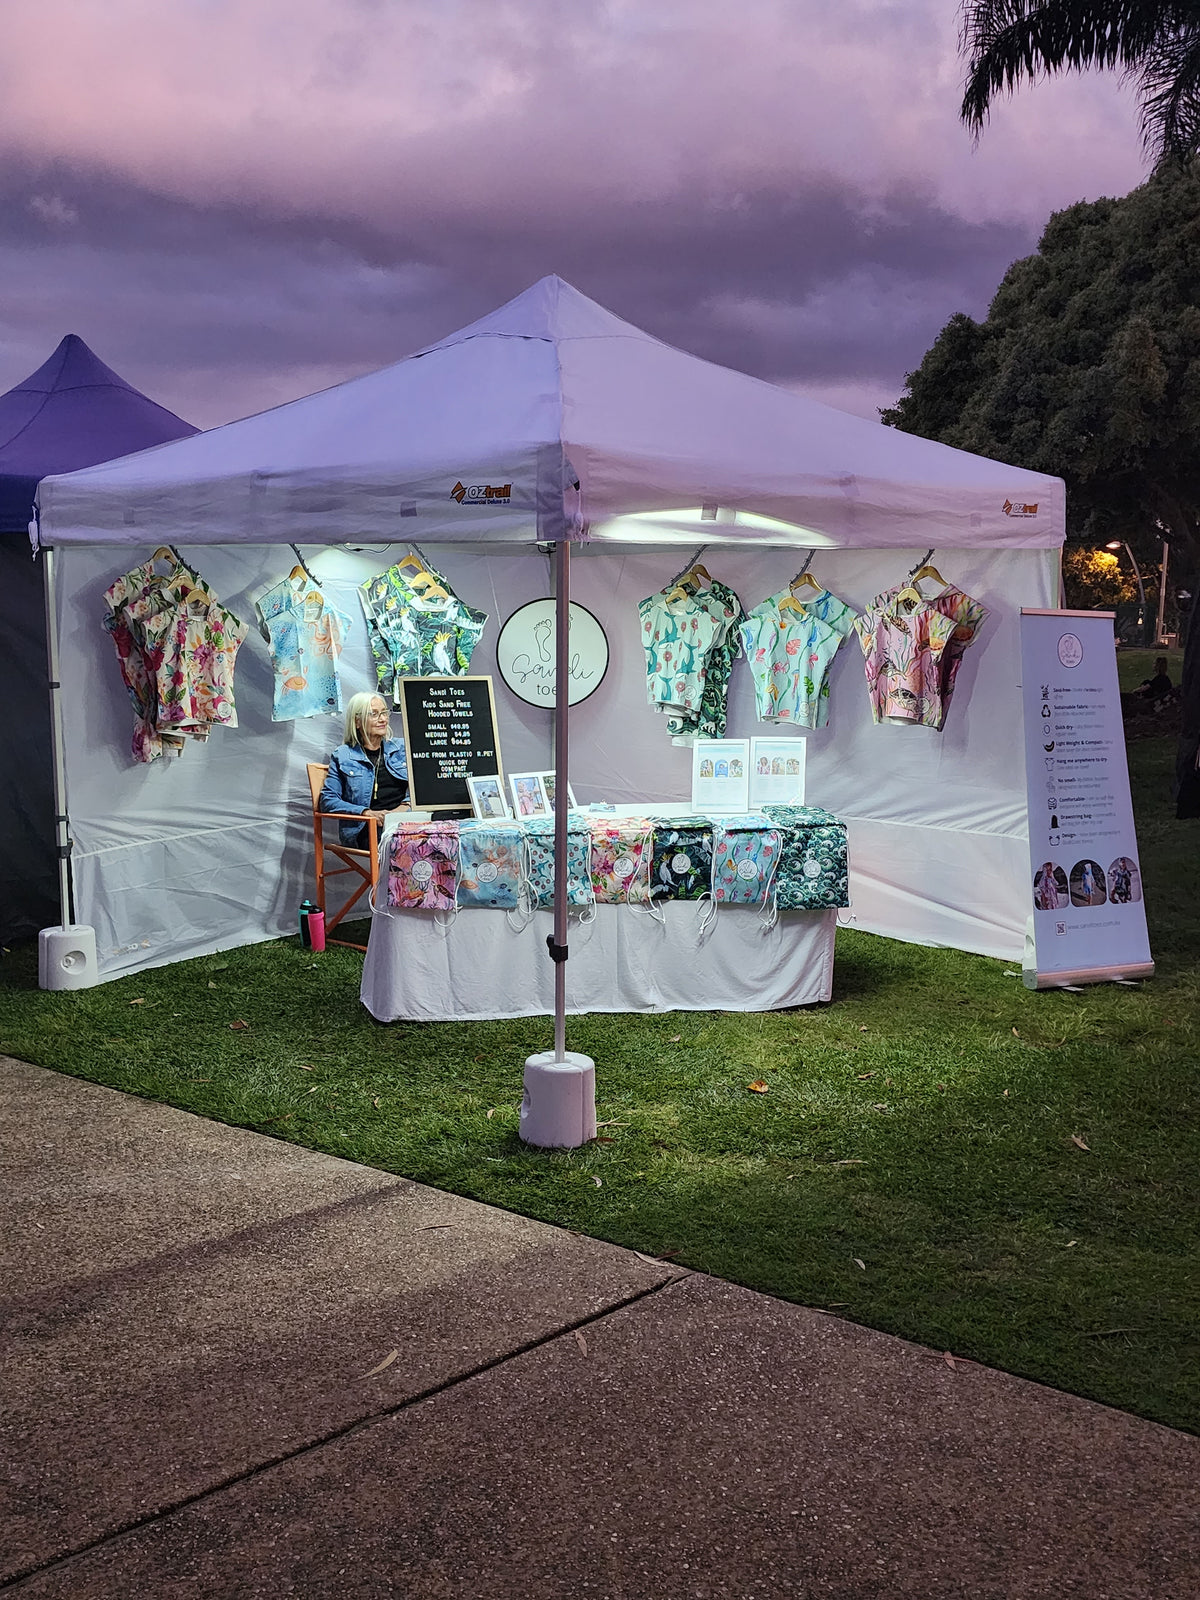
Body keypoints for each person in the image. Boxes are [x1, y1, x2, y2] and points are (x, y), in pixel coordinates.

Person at [319, 693, 409, 846]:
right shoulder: (343, 756)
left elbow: (422, 788)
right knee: (410, 842)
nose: (383, 719)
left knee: (444, 835)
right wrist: (366, 813)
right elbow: (328, 801)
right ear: (357, 721)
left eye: (384, 712)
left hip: (405, 820)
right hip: (368, 828)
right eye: (374, 714)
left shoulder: (402, 748)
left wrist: (402, 809)